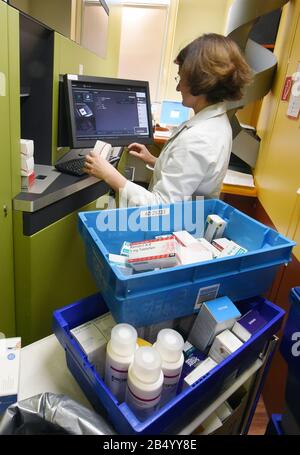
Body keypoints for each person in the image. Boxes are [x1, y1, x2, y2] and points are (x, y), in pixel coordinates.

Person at [83, 33, 252, 206]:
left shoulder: (198, 138)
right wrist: (153, 160)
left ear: (200, 81)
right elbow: (189, 175)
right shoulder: (217, 122)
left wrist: (109, 174)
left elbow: (161, 205)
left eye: (181, 78)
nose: (178, 87)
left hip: (177, 226)